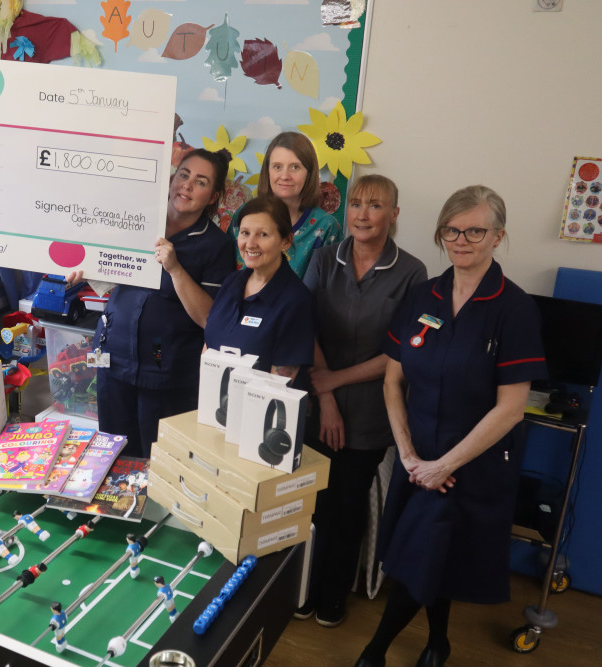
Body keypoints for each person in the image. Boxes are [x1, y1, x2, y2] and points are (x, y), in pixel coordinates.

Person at [355, 186, 546, 667]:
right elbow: (393, 381)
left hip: (471, 465)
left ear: (498, 236)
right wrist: (407, 455)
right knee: (427, 559)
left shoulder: (515, 308)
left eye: (475, 230)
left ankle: (373, 653)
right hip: (416, 458)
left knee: (424, 557)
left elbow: (512, 408)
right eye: (452, 229)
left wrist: (444, 465)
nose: (461, 240)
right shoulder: (424, 295)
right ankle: (437, 643)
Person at [297, 175, 427, 628]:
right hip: (316, 403)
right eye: (355, 204)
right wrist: (325, 395)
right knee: (310, 505)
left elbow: (400, 351)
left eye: (375, 205)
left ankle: (333, 596)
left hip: (373, 410)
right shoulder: (322, 259)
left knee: (347, 506)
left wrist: (334, 381)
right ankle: (301, 591)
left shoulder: (412, 272)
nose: (363, 213)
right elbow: (305, 326)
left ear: (393, 214)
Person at [93, 149, 236, 457]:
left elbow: (209, 318)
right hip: (110, 354)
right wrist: (85, 267)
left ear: (213, 196)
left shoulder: (217, 246)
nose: (186, 185)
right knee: (111, 454)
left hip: (162, 365)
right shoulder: (139, 220)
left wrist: (175, 269)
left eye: (200, 181)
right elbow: (108, 270)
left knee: (157, 461)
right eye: (183, 175)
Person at [205, 196, 315, 382]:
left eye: (263, 234)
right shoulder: (231, 282)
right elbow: (209, 344)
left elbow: (280, 386)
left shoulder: (296, 301)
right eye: (245, 233)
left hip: (259, 408)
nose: (250, 243)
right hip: (215, 405)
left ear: (286, 241)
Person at [228, 131, 341, 278]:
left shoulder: (326, 227)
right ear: (267, 171)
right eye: (277, 167)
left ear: (309, 173)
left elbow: (329, 291)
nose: (285, 176)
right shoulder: (245, 214)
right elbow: (223, 272)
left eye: (295, 167)